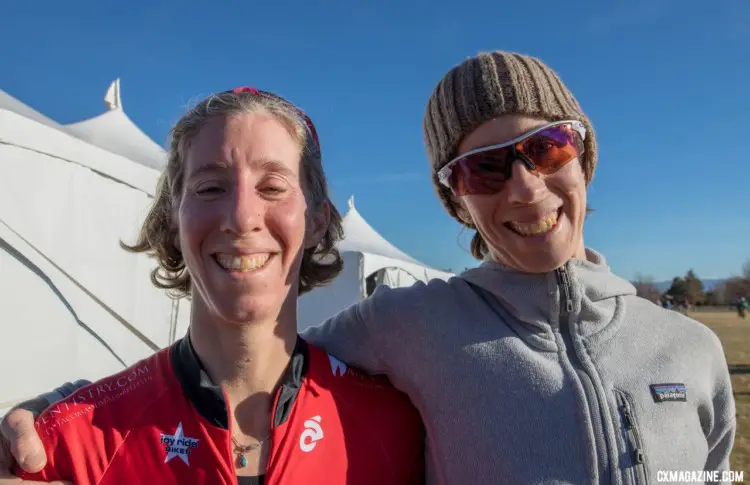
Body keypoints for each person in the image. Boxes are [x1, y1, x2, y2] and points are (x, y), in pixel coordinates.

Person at [2, 51, 736, 484]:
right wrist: (69, 409)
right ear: (457, 200)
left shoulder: (693, 350)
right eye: (484, 169)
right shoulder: (414, 325)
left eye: (546, 148)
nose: (523, 186)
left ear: (584, 151)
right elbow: (250, 354)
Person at [0, 87, 424, 485]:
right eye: (210, 187)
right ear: (173, 216)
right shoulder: (71, 444)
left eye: (273, 187)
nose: (241, 217)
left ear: (317, 220)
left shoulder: (393, 428)